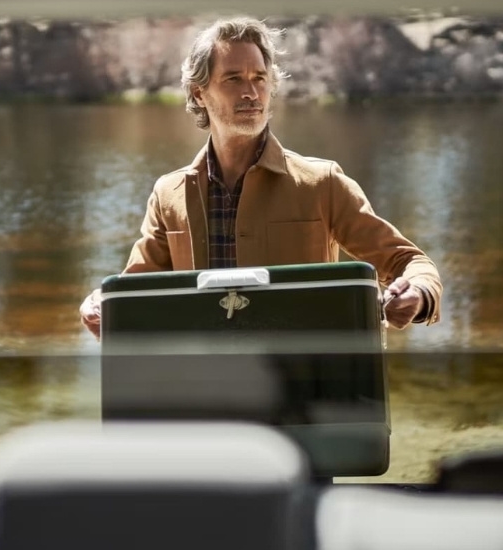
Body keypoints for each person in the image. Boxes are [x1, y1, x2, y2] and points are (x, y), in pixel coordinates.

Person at [79, 17, 442, 339]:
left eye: (259, 78)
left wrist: (419, 293)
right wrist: (101, 304)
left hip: (307, 384)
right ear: (198, 92)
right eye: (233, 79)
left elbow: (410, 262)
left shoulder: (322, 182)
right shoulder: (169, 194)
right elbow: (135, 293)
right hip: (205, 387)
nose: (251, 92)